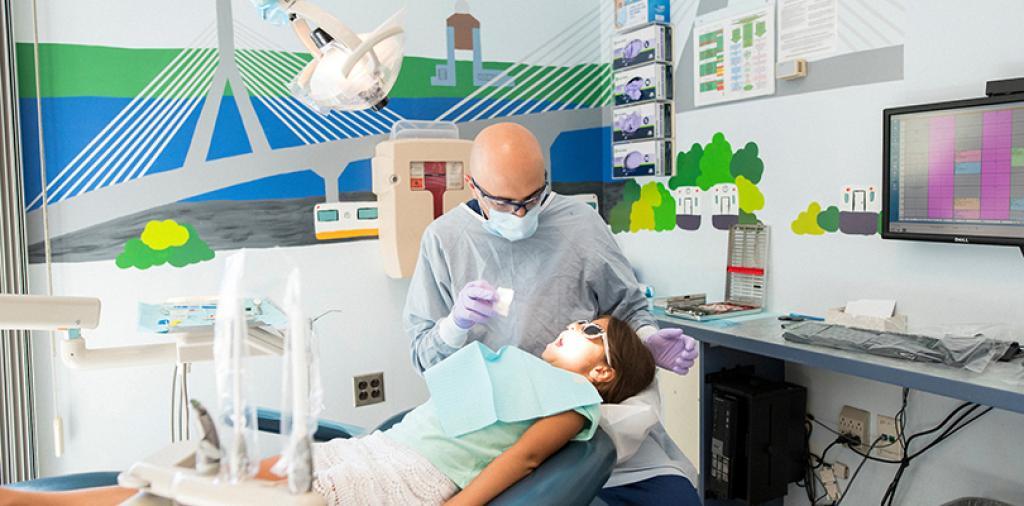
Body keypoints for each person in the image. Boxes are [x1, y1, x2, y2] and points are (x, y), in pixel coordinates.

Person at [0, 317, 654, 506]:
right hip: (372, 453)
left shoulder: (574, 404)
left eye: (589, 331)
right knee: (207, 486)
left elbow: (525, 456)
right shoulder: (513, 365)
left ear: (603, 372)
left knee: (211, 492)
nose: (571, 324)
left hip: (401, 477)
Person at [405, 122, 701, 504]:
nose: (522, 213)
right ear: (472, 186)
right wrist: (453, 326)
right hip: (493, 438)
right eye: (505, 204)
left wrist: (645, 340)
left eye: (533, 198)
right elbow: (423, 358)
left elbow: (628, 307)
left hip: (597, 429)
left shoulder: (581, 225)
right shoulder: (444, 241)